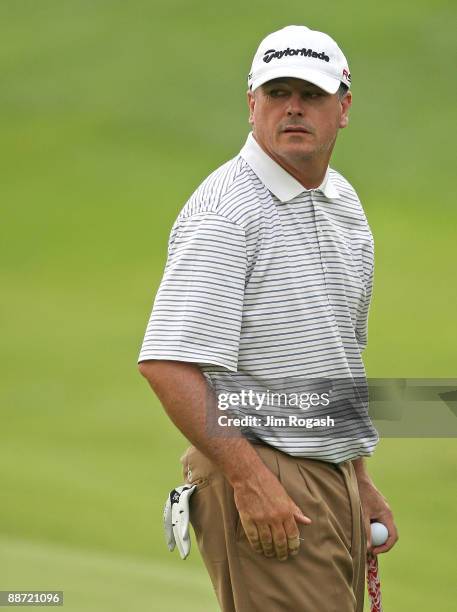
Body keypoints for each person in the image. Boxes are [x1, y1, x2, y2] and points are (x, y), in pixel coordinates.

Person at [138, 24, 398, 612]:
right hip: (261, 466)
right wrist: (251, 481)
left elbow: (335, 363)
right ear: (251, 104)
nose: (294, 108)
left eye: (311, 94)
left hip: (327, 473)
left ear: (344, 108)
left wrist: (356, 479)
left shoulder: (345, 205)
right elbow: (167, 366)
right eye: (278, 93)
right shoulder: (226, 212)